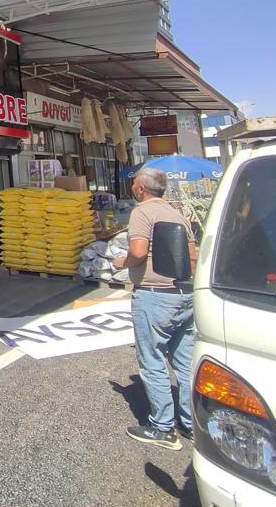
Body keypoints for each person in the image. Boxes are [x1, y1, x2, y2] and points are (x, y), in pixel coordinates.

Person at [114, 167, 197, 450]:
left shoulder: (142, 212)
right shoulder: (176, 214)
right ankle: (191, 424)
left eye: (134, 184)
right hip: (184, 295)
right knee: (185, 363)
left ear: (141, 188)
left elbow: (138, 252)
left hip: (155, 296)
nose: (133, 188)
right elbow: (192, 256)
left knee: (152, 361)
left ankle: (163, 428)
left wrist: (121, 263)